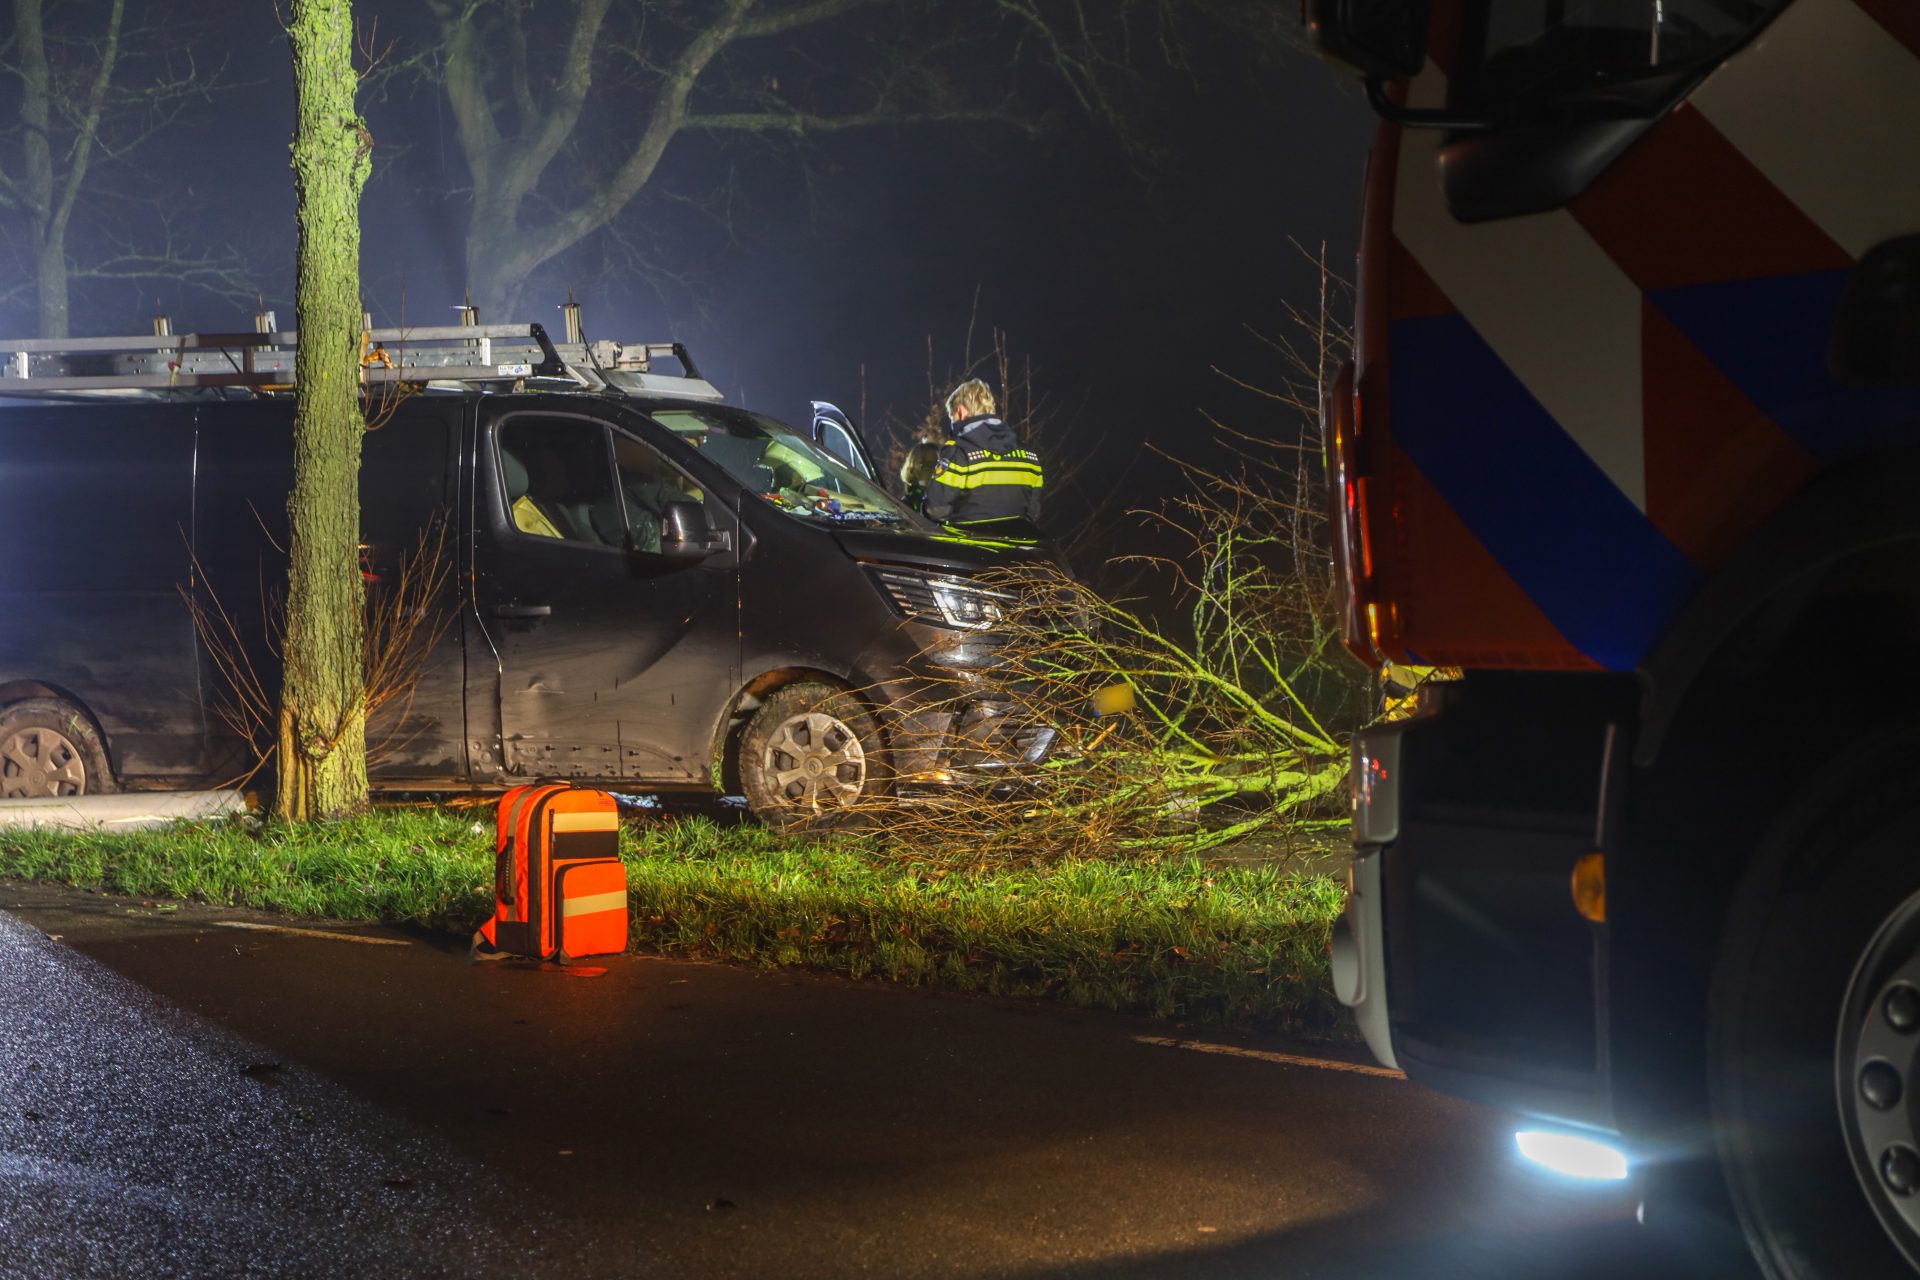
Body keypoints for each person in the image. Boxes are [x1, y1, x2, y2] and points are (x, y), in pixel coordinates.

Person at [922, 378, 1043, 528]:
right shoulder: (1029, 455)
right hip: (1014, 548)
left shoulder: (958, 452)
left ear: (960, 411)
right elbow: (1033, 513)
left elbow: (934, 510)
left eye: (952, 416)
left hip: (967, 547)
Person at [899, 440, 940, 511]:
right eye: (929, 465)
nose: (935, 470)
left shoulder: (944, 497)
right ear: (915, 467)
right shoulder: (908, 505)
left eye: (938, 465)